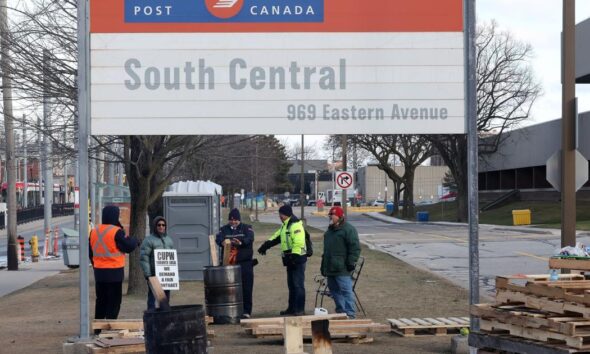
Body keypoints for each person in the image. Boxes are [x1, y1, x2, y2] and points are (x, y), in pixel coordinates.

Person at [89, 206, 138, 330]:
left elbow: (90, 253)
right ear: (115, 216)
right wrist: (135, 240)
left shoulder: (94, 231)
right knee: (114, 301)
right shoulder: (117, 231)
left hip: (99, 273)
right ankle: (110, 327)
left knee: (101, 300)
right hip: (114, 273)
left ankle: (98, 328)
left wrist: (96, 265)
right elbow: (128, 246)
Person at [257, 205, 307, 316]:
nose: (280, 216)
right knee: (291, 285)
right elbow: (277, 236)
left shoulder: (295, 225)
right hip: (290, 259)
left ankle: (299, 309)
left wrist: (294, 257)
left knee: (298, 285)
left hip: (297, 259)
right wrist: (266, 245)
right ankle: (292, 308)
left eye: (281, 214)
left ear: (287, 214)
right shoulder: (285, 225)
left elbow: (298, 242)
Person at [321, 206, 361, 319]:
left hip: (342, 267)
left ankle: (350, 314)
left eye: (332, 215)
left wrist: (351, 262)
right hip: (330, 267)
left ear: (339, 217)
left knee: (346, 291)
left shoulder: (348, 229)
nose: (330, 217)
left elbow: (355, 248)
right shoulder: (330, 230)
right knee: (334, 291)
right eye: (330, 215)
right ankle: (341, 311)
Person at [216, 208, 255, 318]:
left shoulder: (247, 228)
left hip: (245, 263)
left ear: (239, 220)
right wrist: (222, 242)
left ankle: (246, 311)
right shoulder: (223, 229)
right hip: (229, 264)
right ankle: (232, 311)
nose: (233, 222)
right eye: (231, 220)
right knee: (231, 289)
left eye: (235, 220)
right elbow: (218, 238)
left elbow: (250, 239)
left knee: (246, 287)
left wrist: (241, 242)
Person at [140, 216, 175, 310]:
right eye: (159, 225)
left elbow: (172, 258)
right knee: (152, 297)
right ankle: (151, 317)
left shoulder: (169, 240)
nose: (161, 227)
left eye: (163, 225)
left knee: (165, 298)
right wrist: (148, 274)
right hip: (154, 275)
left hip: (166, 275)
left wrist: (173, 274)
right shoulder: (148, 240)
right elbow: (144, 258)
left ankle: (165, 316)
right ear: (155, 226)